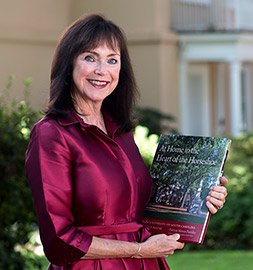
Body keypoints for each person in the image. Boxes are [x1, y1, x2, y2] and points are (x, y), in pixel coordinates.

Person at [25, 14, 228, 270]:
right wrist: (140, 250)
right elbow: (59, 240)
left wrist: (200, 199)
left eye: (112, 60)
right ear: (69, 64)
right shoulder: (51, 134)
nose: (102, 70)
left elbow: (137, 209)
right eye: (90, 58)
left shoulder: (120, 131)